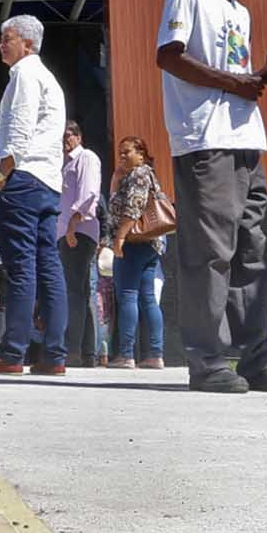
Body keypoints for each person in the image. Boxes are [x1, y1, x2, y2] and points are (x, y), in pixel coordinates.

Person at [154, 0, 267, 395]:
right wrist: (238, 81)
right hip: (206, 142)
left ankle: (255, 358)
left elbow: (239, 82)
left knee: (251, 253)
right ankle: (208, 361)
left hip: (245, 141)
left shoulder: (240, 13)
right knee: (210, 254)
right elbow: (170, 56)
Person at [0, 15, 71, 377]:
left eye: (7, 38)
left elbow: (20, 123)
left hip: (22, 179)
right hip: (47, 182)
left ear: (27, 43)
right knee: (49, 267)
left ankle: (11, 352)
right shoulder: (51, 80)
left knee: (20, 268)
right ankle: (54, 356)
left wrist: (4, 170)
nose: (1, 45)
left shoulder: (25, 73)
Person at [103, 135, 167, 370]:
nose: (121, 156)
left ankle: (126, 354)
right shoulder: (131, 175)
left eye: (126, 152)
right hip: (149, 244)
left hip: (134, 241)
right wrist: (116, 178)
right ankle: (155, 354)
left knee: (128, 295)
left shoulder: (139, 173)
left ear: (141, 154)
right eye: (120, 152)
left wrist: (119, 238)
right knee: (148, 298)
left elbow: (133, 206)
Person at [58, 122, 104, 368]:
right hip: (68, 232)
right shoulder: (63, 163)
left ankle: (73, 350)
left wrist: (72, 226)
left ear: (78, 136)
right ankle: (87, 353)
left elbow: (89, 193)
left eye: (67, 135)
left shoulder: (86, 157)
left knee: (75, 293)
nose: (64, 140)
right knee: (81, 293)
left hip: (78, 231)